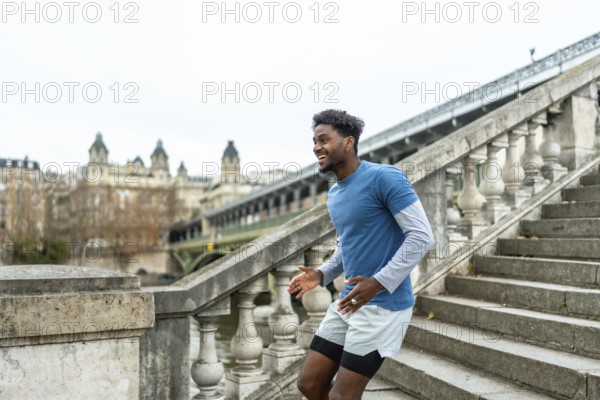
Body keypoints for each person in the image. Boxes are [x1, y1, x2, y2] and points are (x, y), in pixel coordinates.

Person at [288, 109, 435, 400]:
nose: (316, 146)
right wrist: (322, 274)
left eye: (324, 139)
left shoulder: (385, 178)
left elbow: (421, 237)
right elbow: (348, 244)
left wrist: (379, 282)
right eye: (314, 141)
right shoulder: (335, 194)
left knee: (342, 396)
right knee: (309, 383)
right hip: (349, 302)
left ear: (348, 142)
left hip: (384, 306)